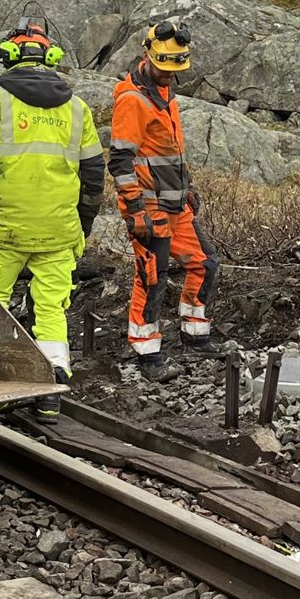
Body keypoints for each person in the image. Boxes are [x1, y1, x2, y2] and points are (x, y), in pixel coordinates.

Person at [0, 23, 104, 412]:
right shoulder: (77, 108)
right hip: (59, 231)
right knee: (51, 309)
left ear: (9, 56)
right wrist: (83, 224)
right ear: (51, 58)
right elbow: (94, 175)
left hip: (4, 231)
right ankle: (51, 390)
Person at [110, 19, 218, 373]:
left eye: (174, 69)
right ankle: (147, 352)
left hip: (176, 203)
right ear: (148, 56)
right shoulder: (133, 101)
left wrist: (189, 187)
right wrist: (134, 209)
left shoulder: (165, 94)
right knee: (151, 276)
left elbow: (170, 152)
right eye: (164, 68)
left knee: (204, 263)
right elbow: (121, 161)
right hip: (149, 207)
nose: (169, 75)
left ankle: (195, 335)